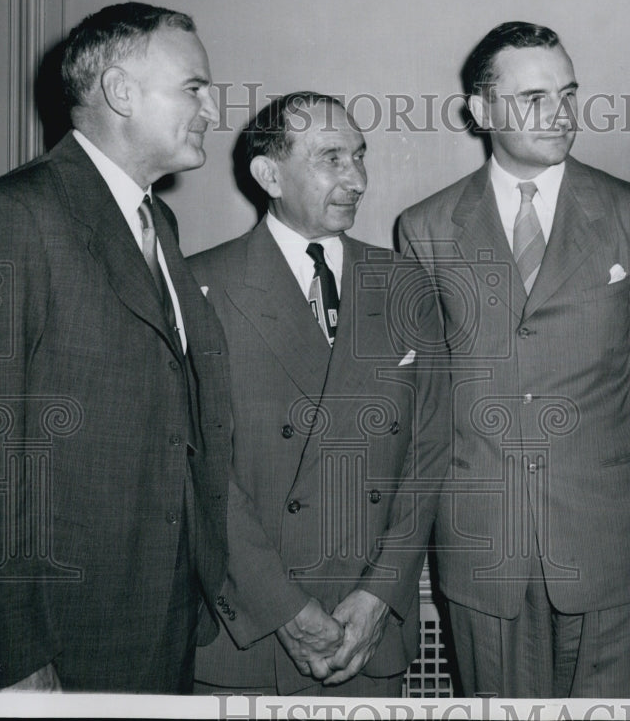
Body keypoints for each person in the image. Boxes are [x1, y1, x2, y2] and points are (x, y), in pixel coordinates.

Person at [398, 21, 630, 698]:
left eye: (567, 94)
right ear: (481, 110)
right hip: (483, 544)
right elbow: (428, 392)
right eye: (533, 97)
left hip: (608, 537)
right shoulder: (426, 227)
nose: (558, 113)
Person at [0, 2, 231, 693]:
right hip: (63, 632)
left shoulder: (155, 218)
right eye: (194, 87)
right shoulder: (12, 215)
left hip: (161, 609)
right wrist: (10, 656)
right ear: (119, 91)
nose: (211, 107)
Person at [189, 92, 449, 697]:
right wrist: (284, 608)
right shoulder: (201, 282)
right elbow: (200, 468)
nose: (357, 178)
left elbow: (431, 451)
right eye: (332, 157)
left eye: (360, 156)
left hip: (368, 633)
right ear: (269, 173)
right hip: (248, 636)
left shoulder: (405, 283)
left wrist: (380, 594)